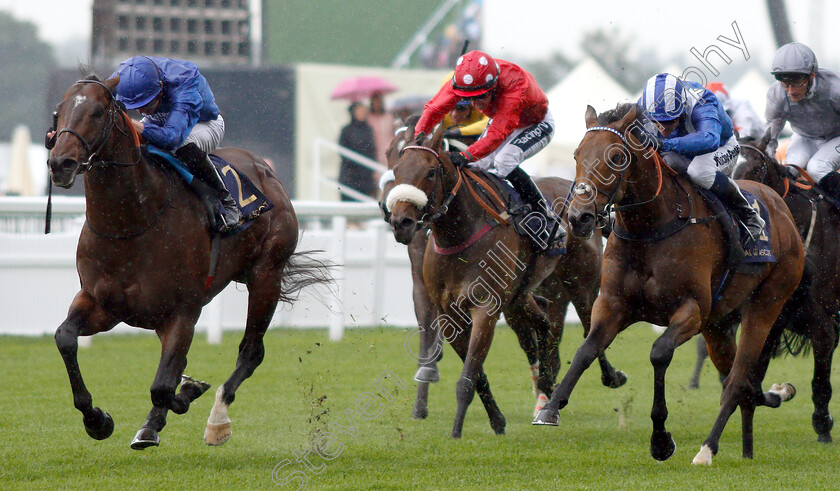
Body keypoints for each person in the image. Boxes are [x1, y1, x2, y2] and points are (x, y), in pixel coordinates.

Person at [413, 50, 563, 251]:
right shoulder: (465, 80)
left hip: (535, 123)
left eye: (481, 97)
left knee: (503, 161)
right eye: (468, 99)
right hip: (504, 119)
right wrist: (417, 137)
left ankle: (546, 218)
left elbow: (498, 134)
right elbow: (433, 109)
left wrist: (465, 154)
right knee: (475, 166)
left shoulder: (515, 83)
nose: (475, 104)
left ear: (493, 86)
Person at [110, 55, 241, 232]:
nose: (140, 111)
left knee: (181, 145)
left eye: (146, 105)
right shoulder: (126, 76)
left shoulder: (184, 83)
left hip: (204, 124)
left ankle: (225, 200)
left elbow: (172, 138)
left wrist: (133, 123)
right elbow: (92, 94)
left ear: (161, 88)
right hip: (163, 122)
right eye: (135, 107)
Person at [639, 73, 765, 246]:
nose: (663, 128)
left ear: (683, 107)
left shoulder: (702, 100)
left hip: (721, 147)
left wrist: (665, 144)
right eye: (657, 121)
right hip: (682, 149)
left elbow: (709, 139)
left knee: (698, 171)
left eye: (670, 121)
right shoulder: (646, 103)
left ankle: (748, 215)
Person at [765, 42, 840, 202]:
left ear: (812, 75)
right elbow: (770, 137)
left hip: (836, 137)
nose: (791, 91)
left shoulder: (835, 88)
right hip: (804, 137)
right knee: (791, 169)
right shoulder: (777, 94)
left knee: (817, 168)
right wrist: (769, 161)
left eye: (796, 82)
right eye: (785, 83)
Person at [338, 102, 377, 201]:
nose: (362, 114)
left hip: (365, 178)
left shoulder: (368, 130)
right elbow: (342, 151)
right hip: (350, 177)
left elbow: (372, 150)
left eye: (363, 111)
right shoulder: (346, 130)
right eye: (359, 111)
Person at [368, 92, 395, 167]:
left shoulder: (389, 117)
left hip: (388, 148)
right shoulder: (369, 118)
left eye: (378, 102)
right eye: (374, 102)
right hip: (375, 149)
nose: (376, 104)